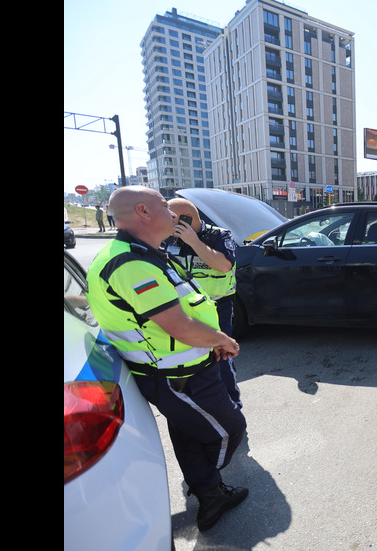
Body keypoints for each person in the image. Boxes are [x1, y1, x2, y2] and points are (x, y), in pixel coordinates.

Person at [85, 186, 248, 532]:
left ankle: (210, 495)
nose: (173, 215)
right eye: (164, 206)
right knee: (230, 429)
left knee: (188, 433)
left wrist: (210, 342)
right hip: (178, 376)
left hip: (186, 368)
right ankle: (207, 484)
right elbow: (179, 326)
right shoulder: (129, 264)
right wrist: (222, 340)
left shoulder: (145, 252)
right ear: (143, 211)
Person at [164, 198, 241, 408]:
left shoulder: (219, 235)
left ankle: (232, 404)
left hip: (217, 308)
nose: (166, 224)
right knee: (189, 360)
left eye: (170, 219)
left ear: (186, 219)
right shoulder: (168, 239)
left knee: (221, 357)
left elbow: (224, 265)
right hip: (183, 311)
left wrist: (194, 242)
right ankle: (201, 405)